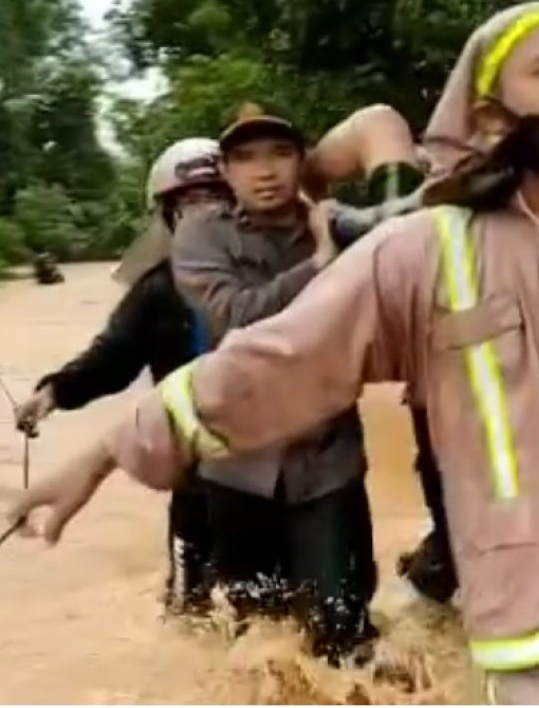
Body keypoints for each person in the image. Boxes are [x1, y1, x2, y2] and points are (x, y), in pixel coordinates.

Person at [11, 2, 539, 705]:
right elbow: (272, 365)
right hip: (533, 639)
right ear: (489, 107)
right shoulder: (421, 253)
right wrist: (103, 452)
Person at [168, 103, 378, 665]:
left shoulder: (340, 224)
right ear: (227, 172)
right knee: (258, 637)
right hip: (237, 463)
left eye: (281, 153)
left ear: (302, 162)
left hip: (326, 458)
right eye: (247, 157)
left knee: (344, 629)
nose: (265, 170)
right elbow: (238, 319)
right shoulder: (198, 235)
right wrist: (323, 264)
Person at [13, 138, 232, 615]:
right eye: (192, 202)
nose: (207, 214)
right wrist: (54, 391)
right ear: (169, 215)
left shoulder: (275, 272)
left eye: (220, 200)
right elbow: (114, 358)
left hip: (277, 468)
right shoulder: (156, 290)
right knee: (189, 610)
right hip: (193, 469)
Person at [306, 105, 459, 604]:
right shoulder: (408, 213)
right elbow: (376, 123)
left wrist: (321, 209)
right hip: (446, 404)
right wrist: (312, 202)